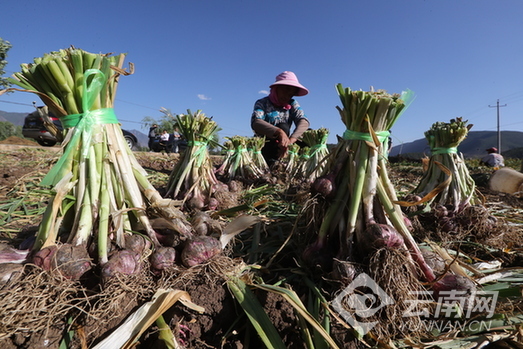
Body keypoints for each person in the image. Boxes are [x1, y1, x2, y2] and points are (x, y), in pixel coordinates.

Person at [250, 71, 310, 166]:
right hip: (267, 144)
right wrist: (279, 132)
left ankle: (301, 164)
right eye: (285, 90)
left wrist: (292, 139)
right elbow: (256, 122)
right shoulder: (262, 103)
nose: (287, 96)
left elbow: (303, 121)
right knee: (283, 127)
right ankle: (272, 161)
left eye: (291, 93)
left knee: (309, 134)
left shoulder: (292, 103)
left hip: (286, 142)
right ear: (276, 89)